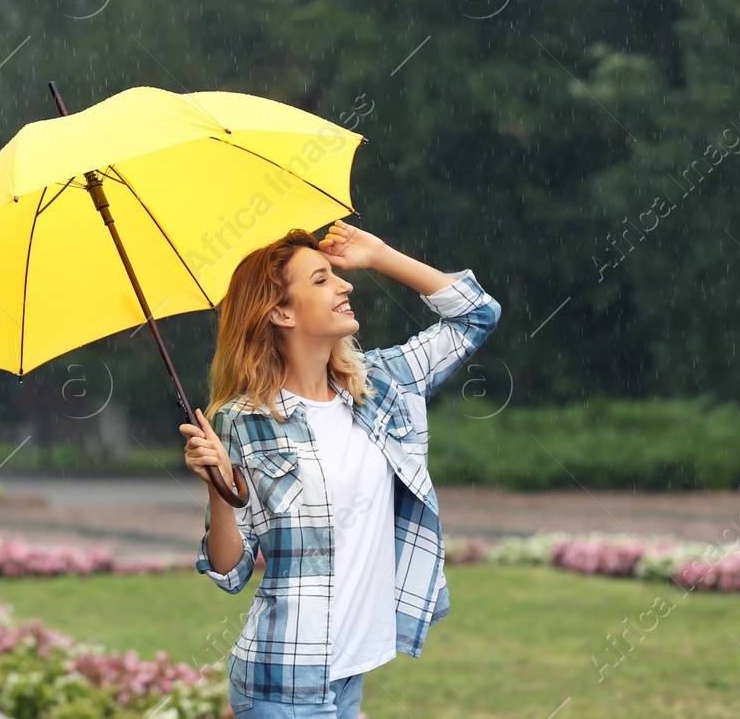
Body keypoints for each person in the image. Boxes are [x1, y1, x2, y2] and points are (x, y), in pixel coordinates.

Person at [180, 220, 501, 719]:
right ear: (281, 312)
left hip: (350, 672)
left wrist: (379, 254)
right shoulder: (241, 421)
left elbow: (476, 315)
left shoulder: (380, 386)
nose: (345, 284)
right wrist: (218, 489)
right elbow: (228, 570)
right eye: (322, 279)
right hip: (282, 679)